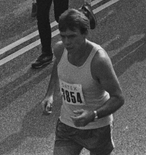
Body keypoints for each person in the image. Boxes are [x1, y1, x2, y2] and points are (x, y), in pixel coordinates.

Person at [41, 9, 125, 155]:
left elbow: (118, 98)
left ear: (85, 33)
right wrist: (50, 94)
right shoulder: (60, 49)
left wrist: (93, 114)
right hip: (67, 125)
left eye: (72, 36)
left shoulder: (99, 61)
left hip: (97, 129)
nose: (67, 42)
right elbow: (58, 66)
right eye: (63, 36)